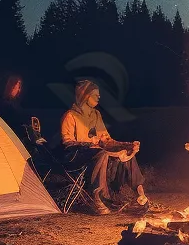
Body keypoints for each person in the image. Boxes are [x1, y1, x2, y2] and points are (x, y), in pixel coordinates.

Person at [61, 79, 148, 214]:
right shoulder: (70, 116)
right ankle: (98, 197)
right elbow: (68, 142)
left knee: (126, 152)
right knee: (102, 153)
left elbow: (106, 140)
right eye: (95, 94)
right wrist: (90, 144)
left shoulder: (96, 115)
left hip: (96, 152)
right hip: (76, 155)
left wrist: (127, 145)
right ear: (85, 96)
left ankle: (140, 195)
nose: (99, 97)